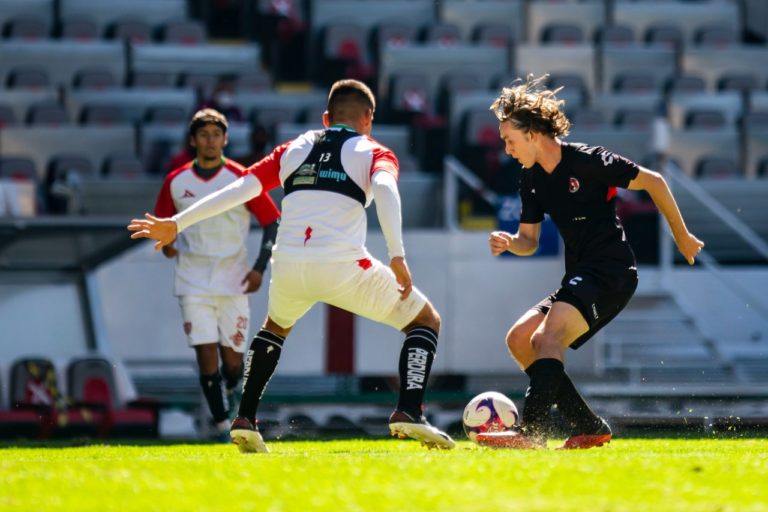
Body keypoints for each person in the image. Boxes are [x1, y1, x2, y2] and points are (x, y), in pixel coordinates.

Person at [129, 79, 455, 452]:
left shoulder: (293, 148)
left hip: (288, 263)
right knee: (424, 321)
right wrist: (397, 255)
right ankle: (409, 411)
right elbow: (385, 191)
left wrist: (178, 223)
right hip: (342, 264)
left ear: (326, 117)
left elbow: (240, 189)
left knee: (274, 328)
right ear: (369, 118)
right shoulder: (373, 150)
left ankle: (245, 420)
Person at [480, 75, 704, 450]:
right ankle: (588, 425)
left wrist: (681, 236)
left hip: (612, 273)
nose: (506, 149)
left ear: (533, 134)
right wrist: (509, 243)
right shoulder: (530, 180)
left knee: (546, 337)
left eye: (510, 140)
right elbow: (529, 242)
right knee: (519, 340)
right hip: (581, 276)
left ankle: (531, 432)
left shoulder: (588, 161)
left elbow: (656, 182)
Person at [153, 108, 281, 439]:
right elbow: (164, 226)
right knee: (205, 353)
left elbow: (272, 222)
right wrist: (166, 245)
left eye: (216, 134)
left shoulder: (241, 178)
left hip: (234, 279)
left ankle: (235, 397)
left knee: (233, 360)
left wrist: (258, 268)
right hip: (192, 278)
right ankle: (223, 424)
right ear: (193, 140)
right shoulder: (176, 180)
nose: (210, 141)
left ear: (225, 139)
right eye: (203, 135)